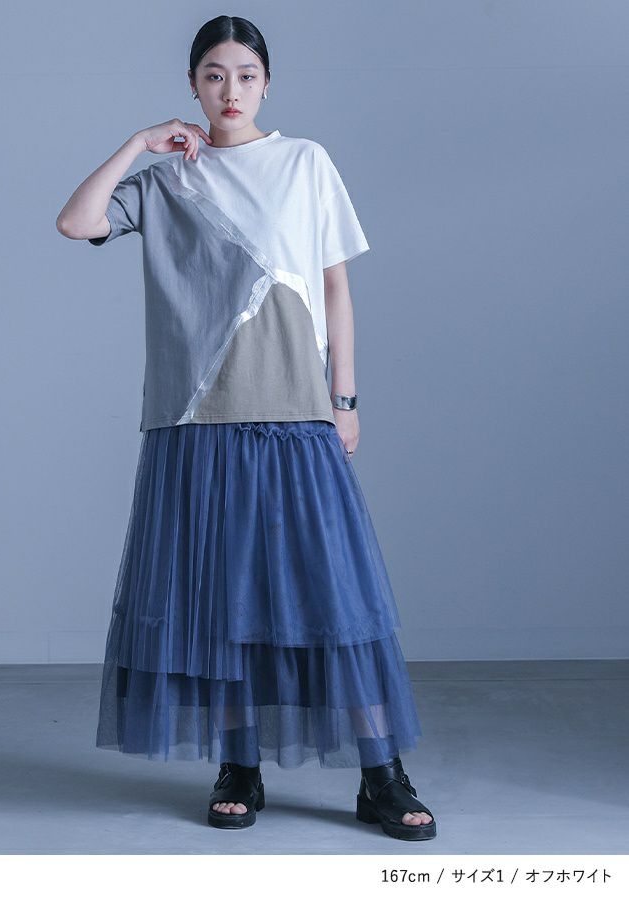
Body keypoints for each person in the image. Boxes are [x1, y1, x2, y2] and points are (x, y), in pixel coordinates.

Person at [56, 14, 436, 841]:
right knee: (221, 601)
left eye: (246, 75)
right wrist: (137, 143)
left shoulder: (306, 163)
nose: (231, 91)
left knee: (335, 598)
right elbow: (77, 222)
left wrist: (345, 401)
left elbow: (335, 288)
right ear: (193, 85)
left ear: (268, 83)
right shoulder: (168, 181)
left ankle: (382, 774)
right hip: (196, 420)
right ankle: (238, 765)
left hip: (296, 412)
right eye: (214, 75)